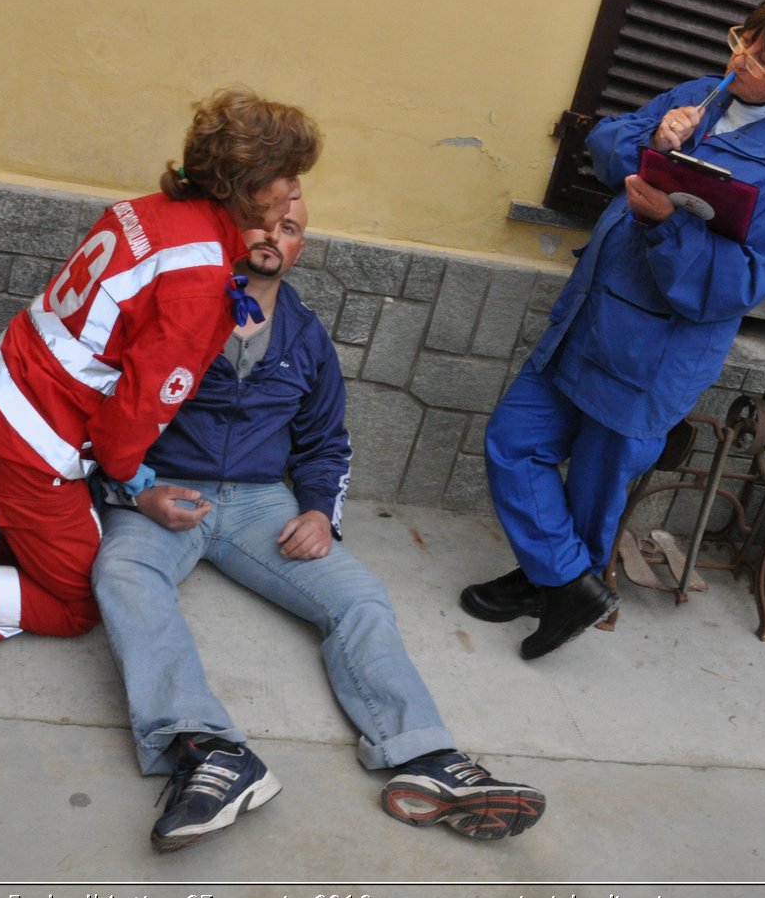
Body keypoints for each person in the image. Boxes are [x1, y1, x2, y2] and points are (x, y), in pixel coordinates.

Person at [90, 197, 546, 852]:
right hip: (164, 489)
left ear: (301, 248)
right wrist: (136, 489)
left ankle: (427, 758)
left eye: (291, 228)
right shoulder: (181, 302)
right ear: (231, 228)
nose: (274, 235)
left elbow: (326, 440)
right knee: (122, 571)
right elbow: (105, 406)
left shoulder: (306, 336)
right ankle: (208, 751)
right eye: (262, 221)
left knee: (358, 596)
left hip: (258, 504)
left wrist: (317, 512)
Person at [0, 89, 322, 684]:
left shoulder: (144, 211)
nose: (296, 192)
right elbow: (125, 433)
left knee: (52, 534)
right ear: (247, 186)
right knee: (79, 601)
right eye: (287, 178)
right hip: (30, 449)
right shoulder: (201, 285)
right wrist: (138, 485)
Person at [463, 0, 765, 660]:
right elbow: (608, 146)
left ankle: (548, 585)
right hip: (587, 316)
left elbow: (737, 284)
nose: (742, 58)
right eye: (743, 38)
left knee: (593, 491)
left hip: (651, 356)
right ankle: (562, 584)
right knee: (512, 441)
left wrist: (669, 226)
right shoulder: (703, 94)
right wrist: (650, 137)